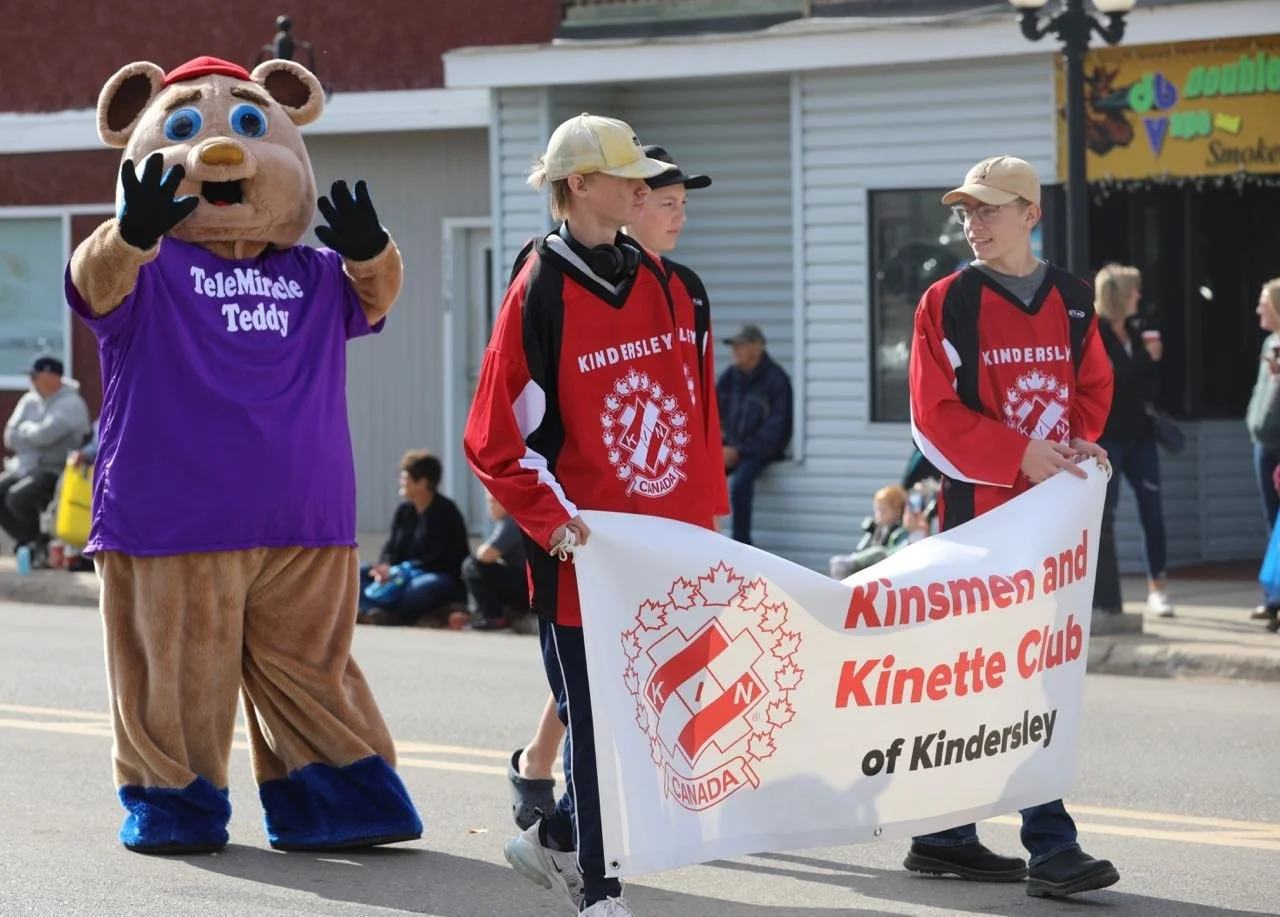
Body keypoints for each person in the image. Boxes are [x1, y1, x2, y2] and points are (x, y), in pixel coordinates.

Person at [464, 113, 727, 917]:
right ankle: (598, 889)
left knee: (649, 719)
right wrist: (551, 520)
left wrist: (703, 528)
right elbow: (494, 437)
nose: (643, 188)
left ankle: (554, 836)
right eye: (627, 177)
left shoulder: (668, 284)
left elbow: (693, 420)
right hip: (582, 551)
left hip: (663, 547)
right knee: (593, 716)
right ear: (579, 185)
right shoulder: (538, 288)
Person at [907, 155, 1119, 898]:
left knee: (1020, 673)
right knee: (1005, 672)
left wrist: (1076, 441)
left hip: (1052, 516)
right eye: (967, 211)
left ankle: (944, 832)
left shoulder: (1074, 298)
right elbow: (931, 417)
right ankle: (1050, 843)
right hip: (981, 517)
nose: (974, 224)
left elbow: (1092, 386)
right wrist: (1018, 453)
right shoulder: (946, 300)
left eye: (989, 209)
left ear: (1031, 214)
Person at [1089, 263, 1172, 617]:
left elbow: (1147, 384)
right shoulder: (1095, 332)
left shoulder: (1137, 331)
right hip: (1108, 439)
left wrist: (1150, 361)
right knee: (1105, 515)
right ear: (1119, 295)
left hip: (1141, 436)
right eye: (1134, 289)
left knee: (1153, 513)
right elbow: (1111, 382)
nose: (1139, 295)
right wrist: (1144, 359)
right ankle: (1101, 593)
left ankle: (1158, 588)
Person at [358, 449, 470, 627]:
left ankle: (383, 614)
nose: (401, 482)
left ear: (422, 482)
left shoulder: (446, 512)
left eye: (405, 478)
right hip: (398, 576)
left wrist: (405, 570)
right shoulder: (404, 512)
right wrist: (385, 567)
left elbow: (444, 559)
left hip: (430, 576)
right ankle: (380, 613)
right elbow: (391, 548)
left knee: (424, 587)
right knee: (358, 572)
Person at [1, 355, 91, 557]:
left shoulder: (72, 403)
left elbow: (45, 436)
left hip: (56, 469)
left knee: (18, 497)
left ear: (53, 376)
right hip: (24, 465)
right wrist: (33, 433)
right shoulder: (29, 400)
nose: (31, 381)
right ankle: (29, 541)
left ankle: (41, 541)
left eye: (35, 376)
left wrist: (25, 430)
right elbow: (9, 436)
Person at [716, 323, 793, 544]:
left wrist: (740, 451)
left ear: (758, 346)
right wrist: (721, 447)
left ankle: (741, 546)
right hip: (729, 449)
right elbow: (712, 415)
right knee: (702, 478)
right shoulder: (729, 377)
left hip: (760, 451)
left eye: (740, 345)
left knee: (740, 484)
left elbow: (777, 430)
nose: (735, 351)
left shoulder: (776, 379)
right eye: (733, 346)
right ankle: (705, 538)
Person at [1246, 278, 1280, 623]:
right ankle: (1273, 599)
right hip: (1264, 443)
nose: (1258, 309)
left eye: (1263, 302)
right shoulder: (1271, 342)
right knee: (1273, 524)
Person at [462, 490, 529, 631]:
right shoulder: (506, 521)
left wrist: (481, 550)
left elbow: (486, 555)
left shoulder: (512, 521)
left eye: (494, 501)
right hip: (526, 583)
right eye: (488, 502)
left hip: (527, 585)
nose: (490, 507)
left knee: (472, 566)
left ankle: (493, 617)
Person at [828, 484, 911, 579]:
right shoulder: (878, 529)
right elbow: (862, 550)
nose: (878, 514)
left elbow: (893, 553)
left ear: (897, 512)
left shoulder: (900, 531)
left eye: (883, 511)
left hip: (886, 571)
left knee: (878, 552)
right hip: (870, 569)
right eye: (877, 510)